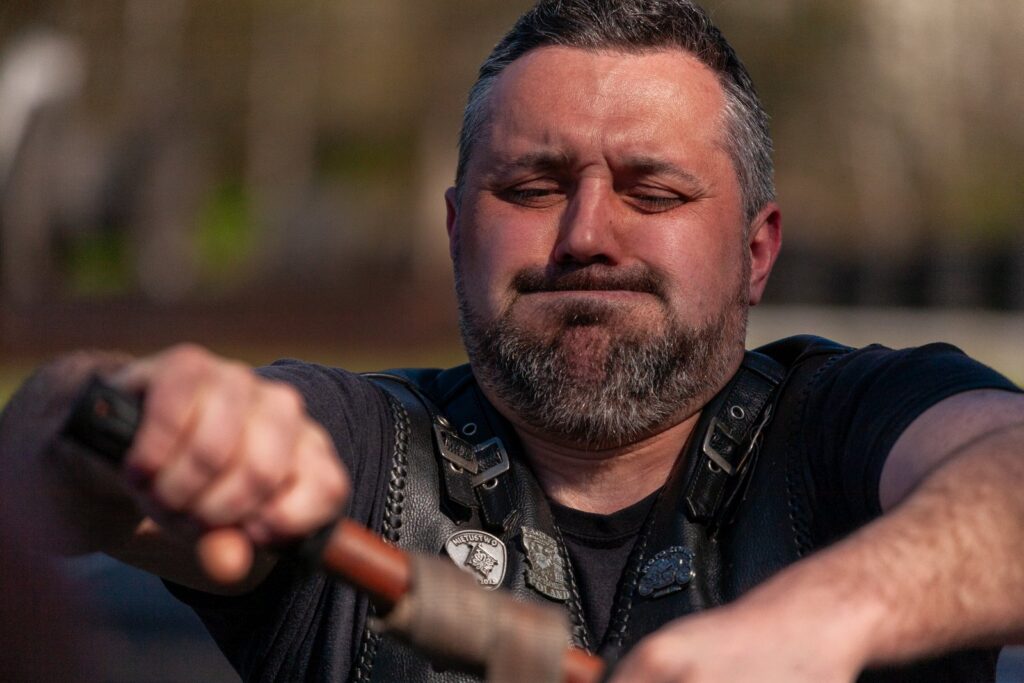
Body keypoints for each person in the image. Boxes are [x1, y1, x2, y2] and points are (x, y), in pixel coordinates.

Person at [2, 1, 1023, 681]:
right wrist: (138, 418)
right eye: (532, 188)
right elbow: (44, 451)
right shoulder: (360, 450)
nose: (586, 236)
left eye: (653, 191)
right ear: (455, 232)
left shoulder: (851, 424)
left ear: (756, 251)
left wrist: (826, 615)